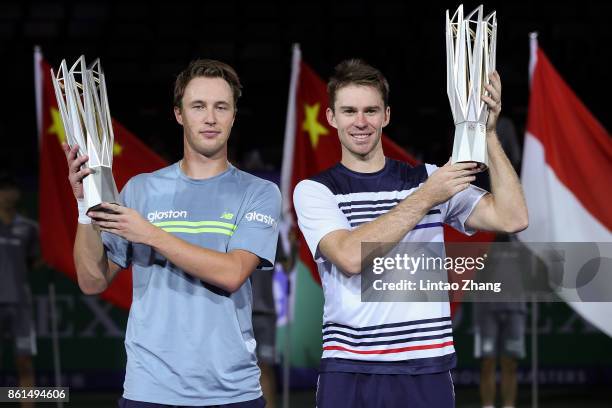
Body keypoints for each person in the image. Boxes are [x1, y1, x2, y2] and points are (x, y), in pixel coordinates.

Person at [292, 59, 528, 408]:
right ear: (331, 118)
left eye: (371, 110)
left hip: (426, 369)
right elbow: (349, 256)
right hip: (351, 370)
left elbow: (512, 217)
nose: (361, 122)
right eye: (349, 111)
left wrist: (489, 133)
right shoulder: (315, 190)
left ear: (386, 116)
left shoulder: (430, 177)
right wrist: (427, 197)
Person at [63, 59, 281, 407]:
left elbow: (232, 273)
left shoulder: (259, 192)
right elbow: (92, 281)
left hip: (232, 392)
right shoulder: (140, 189)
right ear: (179, 114)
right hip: (148, 390)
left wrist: (150, 233)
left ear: (233, 115)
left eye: (221, 107)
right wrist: (83, 209)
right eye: (198, 106)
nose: (210, 117)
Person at [473, 116, 526, 408]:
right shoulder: (479, 199)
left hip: (515, 299)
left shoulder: (520, 199)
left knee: (509, 363)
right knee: (488, 362)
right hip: (486, 301)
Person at [0, 173, 39, 408]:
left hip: (20, 303)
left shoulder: (29, 227)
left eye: (11, 189)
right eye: (3, 190)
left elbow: (34, 261)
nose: (7, 195)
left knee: (24, 361)